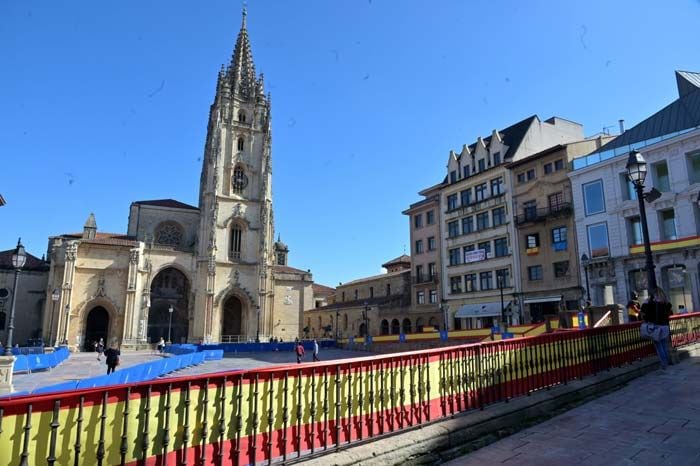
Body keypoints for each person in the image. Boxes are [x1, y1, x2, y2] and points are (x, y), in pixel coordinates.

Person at [640, 288, 673, 369]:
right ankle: (667, 361)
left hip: (656, 327)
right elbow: (670, 313)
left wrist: (645, 303)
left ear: (654, 295)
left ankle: (664, 364)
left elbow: (644, 314)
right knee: (664, 345)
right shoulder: (666, 303)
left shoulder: (651, 304)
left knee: (659, 346)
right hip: (665, 326)